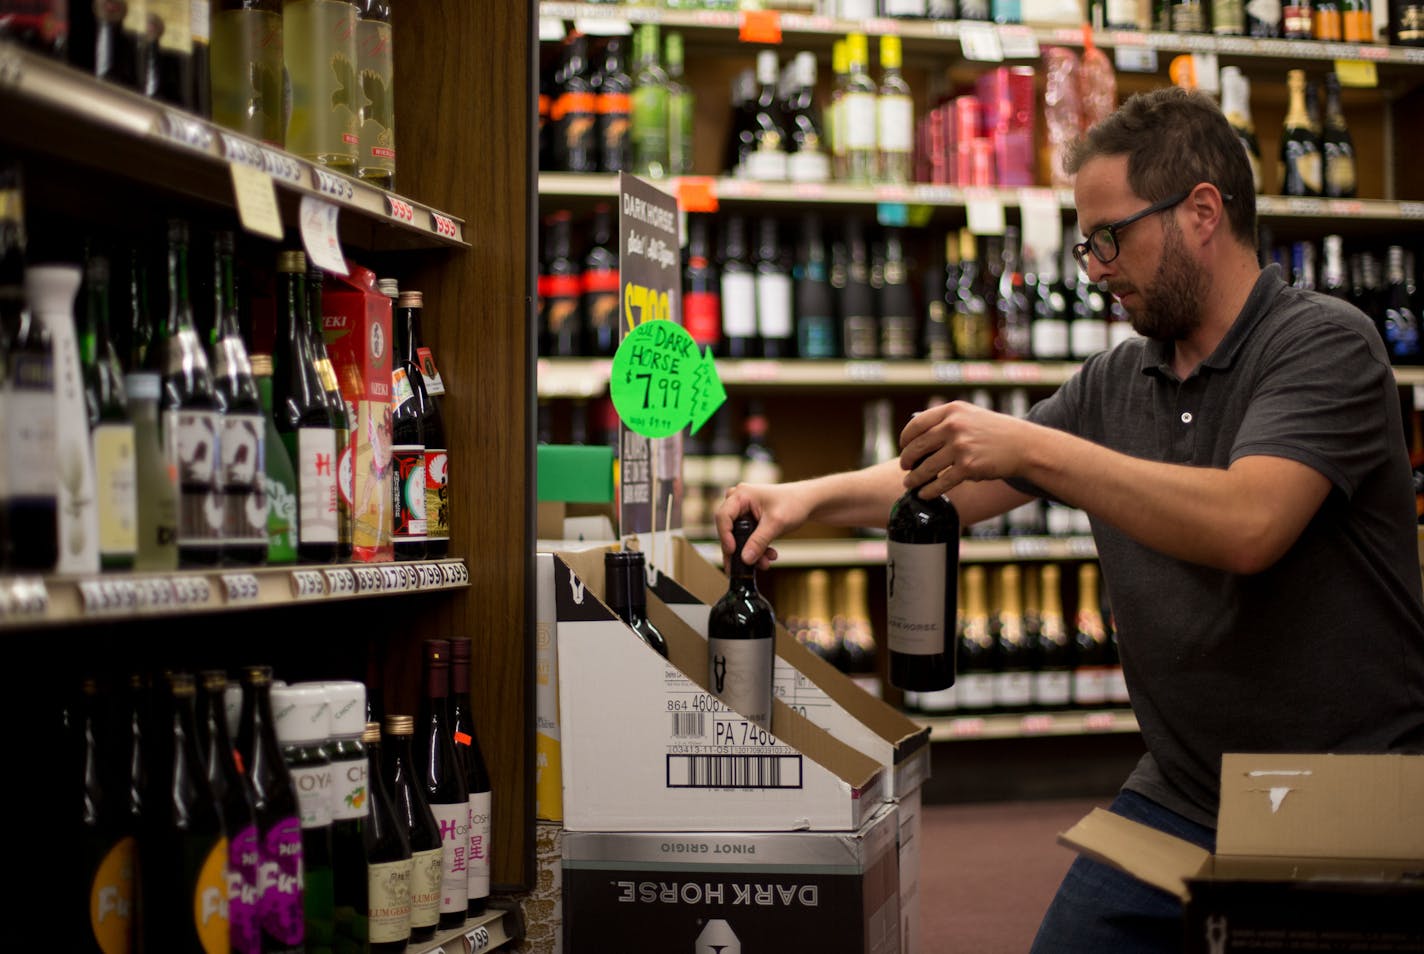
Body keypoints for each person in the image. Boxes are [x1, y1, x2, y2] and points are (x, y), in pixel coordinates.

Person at [715, 86, 1424, 953]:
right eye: (1085, 243)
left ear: (1203, 212)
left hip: (1340, 793)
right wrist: (805, 500)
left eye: (1109, 238)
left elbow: (1250, 523)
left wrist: (1032, 448)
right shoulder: (1122, 378)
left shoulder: (1323, 343)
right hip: (1184, 790)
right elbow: (956, 481)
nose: (1092, 267)